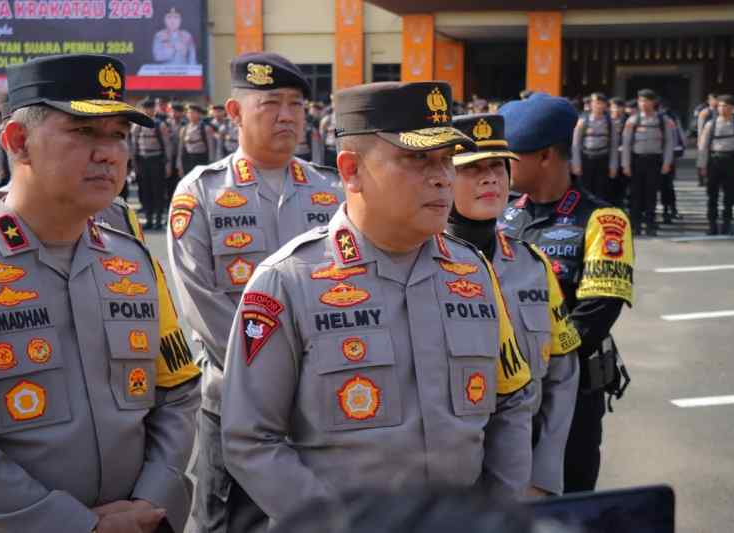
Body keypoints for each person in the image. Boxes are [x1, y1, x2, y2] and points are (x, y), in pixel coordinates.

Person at [221, 80, 535, 528]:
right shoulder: (287, 282)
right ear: (351, 170)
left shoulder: (472, 272)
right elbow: (250, 439)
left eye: (446, 160)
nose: (442, 177)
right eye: (416, 159)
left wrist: (493, 514)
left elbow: (512, 402)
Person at [0, 53, 200, 533]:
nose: (109, 153)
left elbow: (177, 391)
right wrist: (76, 526)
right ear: (19, 142)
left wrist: (153, 498)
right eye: (83, 132)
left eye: (119, 135)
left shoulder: (133, 259)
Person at [167, 52, 343, 533]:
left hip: (323, 403)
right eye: (270, 103)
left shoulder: (332, 191)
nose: (287, 115)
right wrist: (272, 377)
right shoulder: (200, 193)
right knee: (222, 523)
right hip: (234, 404)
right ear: (235, 112)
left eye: (295, 104)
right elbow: (201, 302)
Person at [498, 93, 634, 493]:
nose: (501, 165)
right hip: (506, 392)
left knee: (568, 499)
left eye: (511, 155)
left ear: (544, 157)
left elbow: (596, 312)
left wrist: (540, 366)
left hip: (569, 391)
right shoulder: (501, 216)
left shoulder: (602, 220)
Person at [449, 113, 581, 498]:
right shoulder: (418, 265)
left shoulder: (533, 265)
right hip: (447, 484)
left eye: (497, 166)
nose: (490, 178)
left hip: (522, 476)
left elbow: (562, 375)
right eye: (472, 168)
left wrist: (544, 475)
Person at [621, 89, 675, 236]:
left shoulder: (663, 120)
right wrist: (625, 164)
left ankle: (650, 224)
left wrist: (667, 162)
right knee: (635, 195)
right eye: (641, 101)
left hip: (655, 161)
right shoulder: (632, 120)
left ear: (653, 102)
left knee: (651, 194)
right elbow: (626, 144)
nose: (643, 104)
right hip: (637, 161)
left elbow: (670, 142)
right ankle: (635, 225)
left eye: (646, 101)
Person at [697, 94, 734, 235]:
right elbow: (703, 146)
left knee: (729, 196)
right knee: (712, 195)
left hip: (732, 161)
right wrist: (702, 165)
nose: (722, 109)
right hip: (714, 161)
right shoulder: (711, 124)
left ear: (733, 108)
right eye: (720, 106)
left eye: (726, 106)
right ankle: (712, 225)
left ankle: (727, 225)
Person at [131, 97, 172, 230]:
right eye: (146, 108)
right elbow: (133, 146)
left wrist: (168, 164)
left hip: (157, 160)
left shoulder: (160, 124)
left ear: (154, 109)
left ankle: (158, 220)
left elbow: (167, 145)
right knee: (146, 191)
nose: (148, 110)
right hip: (143, 161)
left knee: (158, 191)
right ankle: (149, 220)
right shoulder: (137, 125)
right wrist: (134, 164)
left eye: (151, 108)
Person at [572, 93, 619, 202]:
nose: (598, 105)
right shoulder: (583, 121)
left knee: (601, 190)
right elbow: (576, 144)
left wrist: (613, 166)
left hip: (603, 159)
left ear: (605, 105)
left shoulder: (610, 122)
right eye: (595, 103)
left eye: (601, 103)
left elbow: (614, 145)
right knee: (585, 190)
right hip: (586, 159)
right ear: (591, 104)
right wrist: (576, 164)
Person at [177, 103, 215, 179]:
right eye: (188, 112)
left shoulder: (205, 128)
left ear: (199, 114)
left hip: (201, 159)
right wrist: (179, 164)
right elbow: (181, 148)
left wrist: (211, 163)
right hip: (188, 159)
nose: (190, 115)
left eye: (193, 113)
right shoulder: (184, 129)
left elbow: (211, 147)